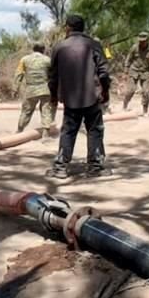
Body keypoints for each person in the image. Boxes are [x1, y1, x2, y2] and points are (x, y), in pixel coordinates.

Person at [47, 14, 111, 178]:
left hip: (70, 98)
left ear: (68, 27)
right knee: (95, 130)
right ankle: (95, 166)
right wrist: (105, 91)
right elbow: (104, 72)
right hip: (92, 96)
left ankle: (61, 167)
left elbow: (52, 76)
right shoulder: (93, 44)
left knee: (68, 131)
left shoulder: (59, 47)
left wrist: (53, 95)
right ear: (83, 28)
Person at [14, 42, 56, 134]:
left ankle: (19, 130)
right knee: (46, 110)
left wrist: (15, 88)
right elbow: (53, 74)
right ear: (43, 50)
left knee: (26, 111)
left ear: (33, 49)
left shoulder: (24, 60)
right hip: (45, 89)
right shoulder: (47, 60)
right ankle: (45, 134)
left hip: (31, 90)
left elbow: (18, 74)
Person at [122, 31, 149, 115]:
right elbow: (128, 59)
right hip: (133, 71)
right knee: (131, 90)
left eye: (143, 41)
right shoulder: (134, 47)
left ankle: (145, 111)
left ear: (147, 40)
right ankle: (125, 105)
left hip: (145, 72)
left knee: (146, 92)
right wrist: (125, 71)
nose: (141, 42)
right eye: (140, 41)